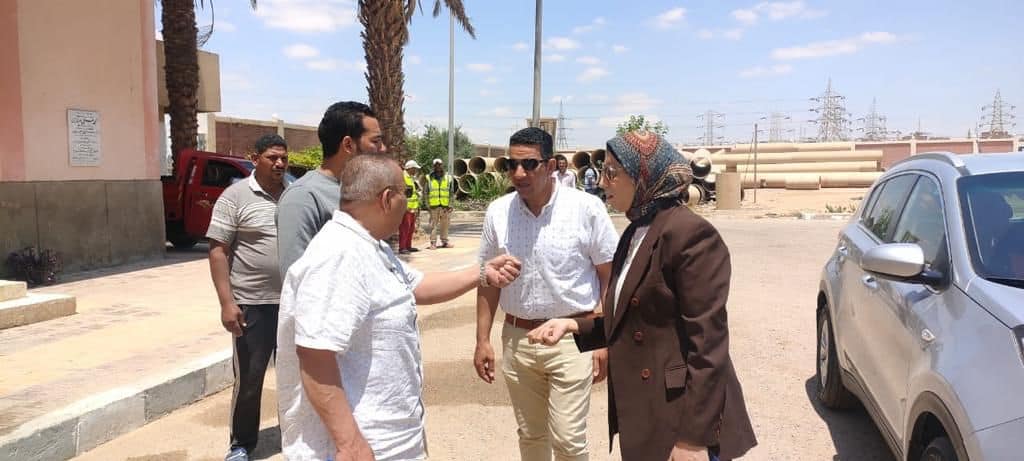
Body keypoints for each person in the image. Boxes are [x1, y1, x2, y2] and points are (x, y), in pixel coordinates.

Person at [526, 131, 757, 461]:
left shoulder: (689, 234)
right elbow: (635, 320)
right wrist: (573, 325)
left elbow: (708, 346)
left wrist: (693, 439)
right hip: (649, 411)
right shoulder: (635, 231)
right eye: (602, 171)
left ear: (643, 175)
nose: (602, 182)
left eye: (611, 173)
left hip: (680, 417)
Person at [276, 155, 522, 461]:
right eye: (405, 193)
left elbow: (416, 286)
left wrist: (483, 272)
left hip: (390, 441)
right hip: (362, 446)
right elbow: (315, 355)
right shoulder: (339, 255)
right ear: (387, 199)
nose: (407, 202)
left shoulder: (371, 246)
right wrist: (349, 443)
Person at [474, 127, 618, 461]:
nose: (518, 173)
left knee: (568, 439)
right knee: (531, 435)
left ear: (551, 165)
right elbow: (487, 281)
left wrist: (602, 338)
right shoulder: (498, 212)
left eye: (529, 164)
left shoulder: (586, 209)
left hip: (573, 337)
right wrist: (482, 340)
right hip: (518, 338)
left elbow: (608, 277)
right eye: (511, 164)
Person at [206, 134, 290, 461]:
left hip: (294, 304)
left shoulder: (295, 195)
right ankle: (241, 444)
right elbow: (218, 250)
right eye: (272, 157)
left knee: (296, 377)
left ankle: (297, 436)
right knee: (250, 378)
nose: (280, 163)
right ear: (254, 158)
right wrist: (227, 303)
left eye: (283, 158)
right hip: (252, 304)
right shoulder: (235, 196)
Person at [276, 101, 385, 277]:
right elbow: (297, 279)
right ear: (348, 145)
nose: (383, 149)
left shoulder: (361, 191)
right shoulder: (302, 198)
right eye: (376, 141)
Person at [424, 158, 456, 249]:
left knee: (445, 225)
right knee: (433, 225)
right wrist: (427, 205)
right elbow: (425, 192)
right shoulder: (429, 178)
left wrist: (451, 204)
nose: (438, 166)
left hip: (445, 206)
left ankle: (444, 242)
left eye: (439, 164)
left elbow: (451, 192)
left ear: (442, 165)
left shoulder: (448, 178)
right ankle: (433, 243)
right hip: (434, 206)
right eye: (436, 165)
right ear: (433, 166)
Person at [399, 160, 422, 255]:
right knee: (405, 228)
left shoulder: (411, 178)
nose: (416, 170)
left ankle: (408, 246)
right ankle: (402, 247)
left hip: (412, 208)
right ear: (410, 168)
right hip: (406, 208)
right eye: (415, 169)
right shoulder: (403, 177)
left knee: (411, 228)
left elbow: (412, 193)